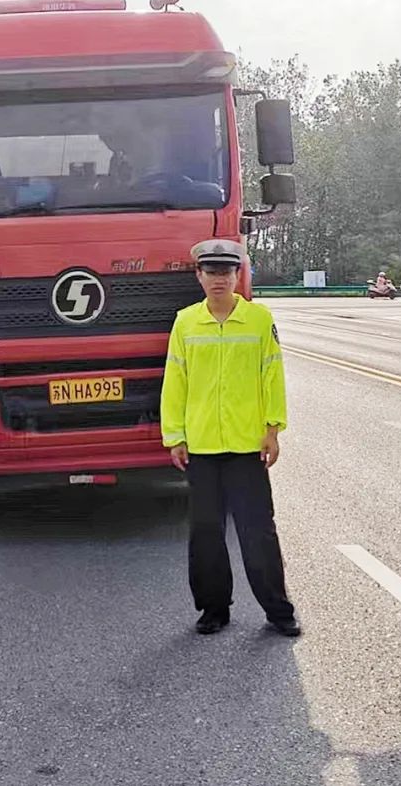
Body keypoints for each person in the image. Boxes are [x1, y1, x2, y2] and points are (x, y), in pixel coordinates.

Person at [160, 239, 301, 637]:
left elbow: (272, 376)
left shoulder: (258, 319)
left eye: (226, 271)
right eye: (211, 272)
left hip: (246, 446)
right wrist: (175, 436)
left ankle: (278, 610)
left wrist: (272, 430)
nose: (219, 279)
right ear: (199, 276)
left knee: (258, 532)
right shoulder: (185, 322)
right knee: (205, 533)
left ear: (238, 276)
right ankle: (213, 609)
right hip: (202, 446)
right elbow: (175, 382)